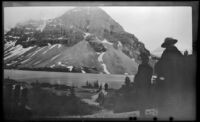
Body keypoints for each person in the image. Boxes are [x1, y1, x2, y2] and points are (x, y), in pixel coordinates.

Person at [154, 37, 184, 118]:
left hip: (169, 81)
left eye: (168, 44)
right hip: (175, 81)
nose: (168, 46)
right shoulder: (177, 53)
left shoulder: (167, 52)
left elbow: (159, 65)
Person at [133, 52, 153, 117]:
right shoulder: (149, 68)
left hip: (141, 87)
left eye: (143, 59)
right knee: (143, 101)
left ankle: (142, 114)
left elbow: (139, 76)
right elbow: (148, 79)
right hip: (145, 87)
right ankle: (142, 114)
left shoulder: (141, 67)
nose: (142, 60)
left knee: (141, 101)